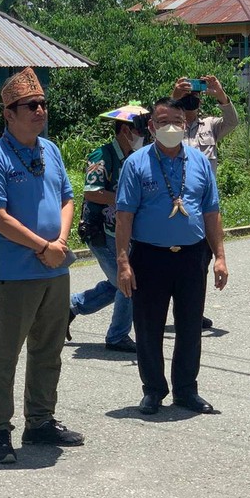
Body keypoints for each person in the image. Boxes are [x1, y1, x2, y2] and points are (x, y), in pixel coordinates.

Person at [0, 67, 84, 464]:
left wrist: (59, 243)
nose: (40, 110)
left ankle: (39, 421)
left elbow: (68, 198)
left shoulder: (50, 149)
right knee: (6, 355)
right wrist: (43, 245)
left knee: (49, 350)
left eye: (42, 104)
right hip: (17, 274)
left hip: (55, 269)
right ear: (9, 112)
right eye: (30, 105)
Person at [116, 97, 228, 415]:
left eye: (177, 122)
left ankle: (186, 390)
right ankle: (153, 390)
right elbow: (124, 217)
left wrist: (219, 256)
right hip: (149, 257)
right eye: (163, 122)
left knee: (190, 325)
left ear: (185, 124)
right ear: (151, 126)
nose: (171, 128)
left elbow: (211, 213)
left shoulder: (199, 162)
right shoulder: (135, 164)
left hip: (192, 257)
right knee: (149, 326)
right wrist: (123, 263)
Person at [68, 105, 147, 353]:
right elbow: (92, 192)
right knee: (127, 283)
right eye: (139, 131)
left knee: (117, 285)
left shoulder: (135, 157)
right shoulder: (100, 156)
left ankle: (70, 307)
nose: (143, 136)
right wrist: (124, 199)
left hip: (122, 231)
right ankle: (117, 336)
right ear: (125, 130)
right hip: (101, 232)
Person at [172, 74, 238, 329]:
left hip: (203, 208)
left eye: (194, 97)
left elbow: (233, 121)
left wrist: (220, 93)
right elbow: (151, 132)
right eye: (186, 97)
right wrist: (174, 98)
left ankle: (192, 312)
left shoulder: (209, 126)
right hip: (174, 204)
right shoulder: (170, 126)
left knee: (200, 263)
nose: (191, 102)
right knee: (171, 263)